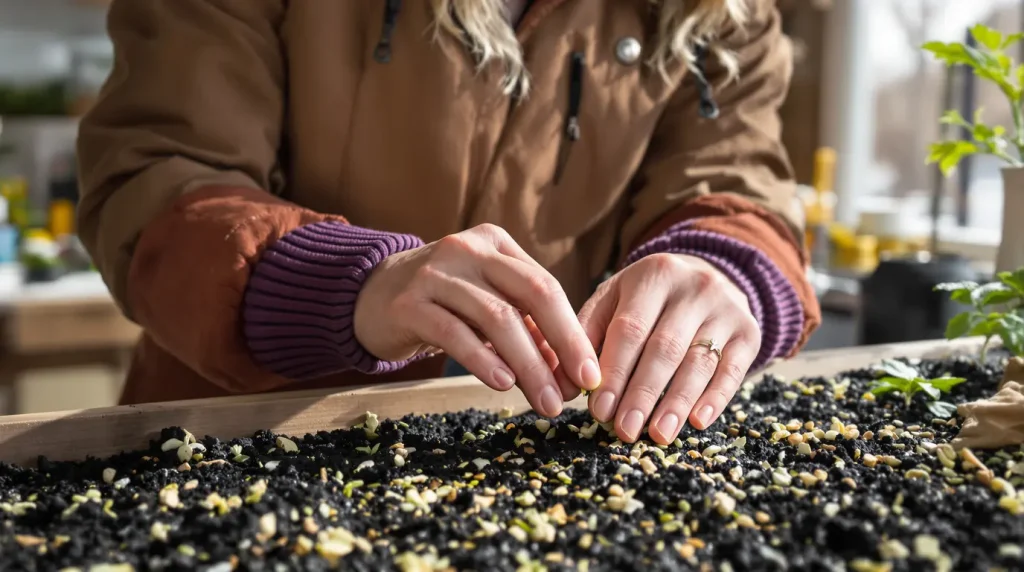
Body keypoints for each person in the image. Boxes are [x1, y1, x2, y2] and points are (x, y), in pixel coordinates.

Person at [76, 0, 820, 445]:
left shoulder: (724, 12)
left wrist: (723, 271)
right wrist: (349, 285)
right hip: (235, 440)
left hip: (537, 450)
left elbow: (735, 183)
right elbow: (155, 178)